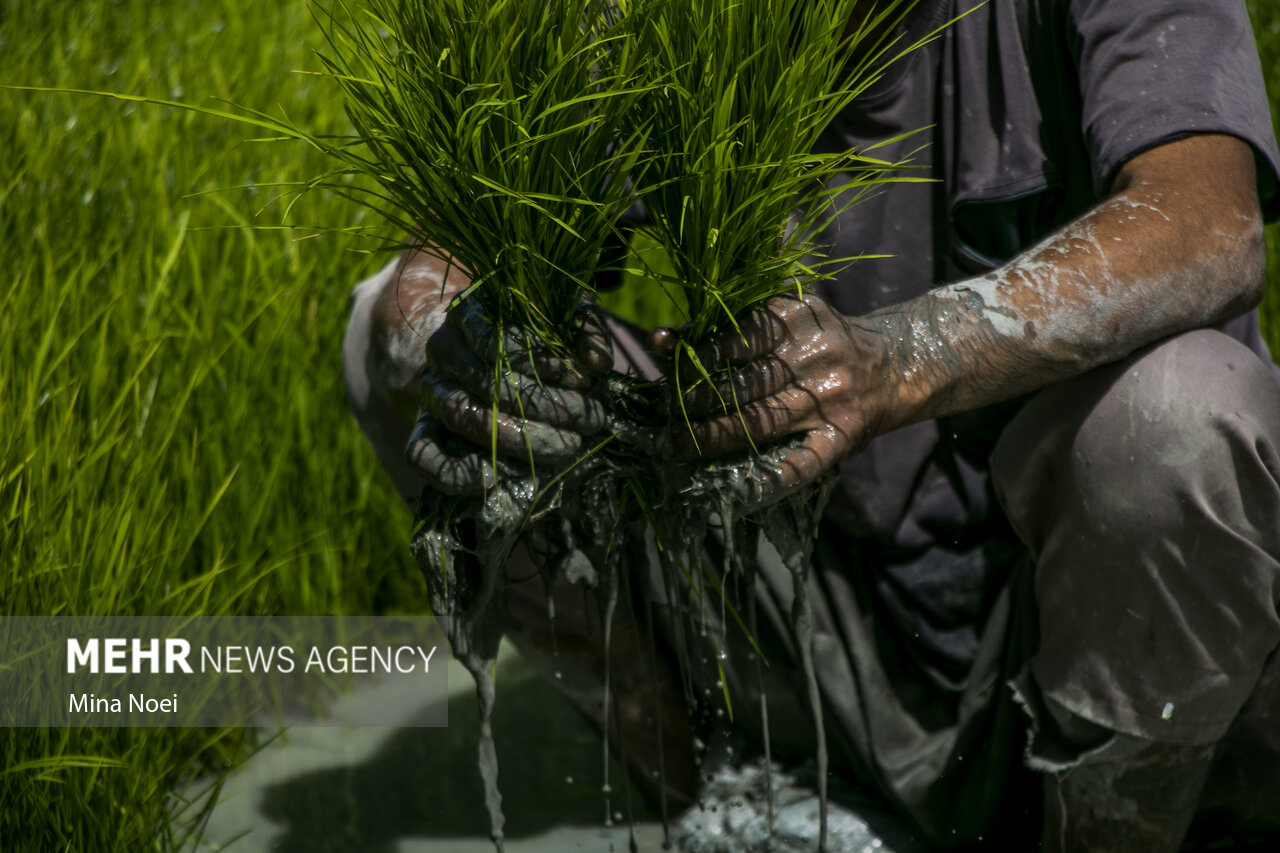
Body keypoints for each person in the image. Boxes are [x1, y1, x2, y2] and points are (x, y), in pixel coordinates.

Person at [344, 1, 1280, 849]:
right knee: (393, 339)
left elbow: (1209, 223)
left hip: (1082, 617)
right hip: (811, 599)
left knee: (1180, 418)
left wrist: (901, 358)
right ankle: (702, 792)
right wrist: (448, 329)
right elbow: (462, 259)